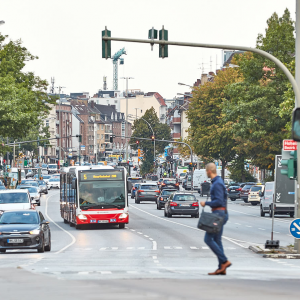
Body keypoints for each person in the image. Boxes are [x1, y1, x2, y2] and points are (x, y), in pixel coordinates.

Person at [200, 163, 231, 276]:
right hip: (221, 213)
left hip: (218, 214)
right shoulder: (219, 182)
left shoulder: (217, 184)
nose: (206, 173)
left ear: (209, 171)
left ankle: (224, 261)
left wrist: (205, 203)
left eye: (206, 171)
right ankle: (221, 268)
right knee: (217, 240)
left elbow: (218, 201)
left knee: (208, 239)